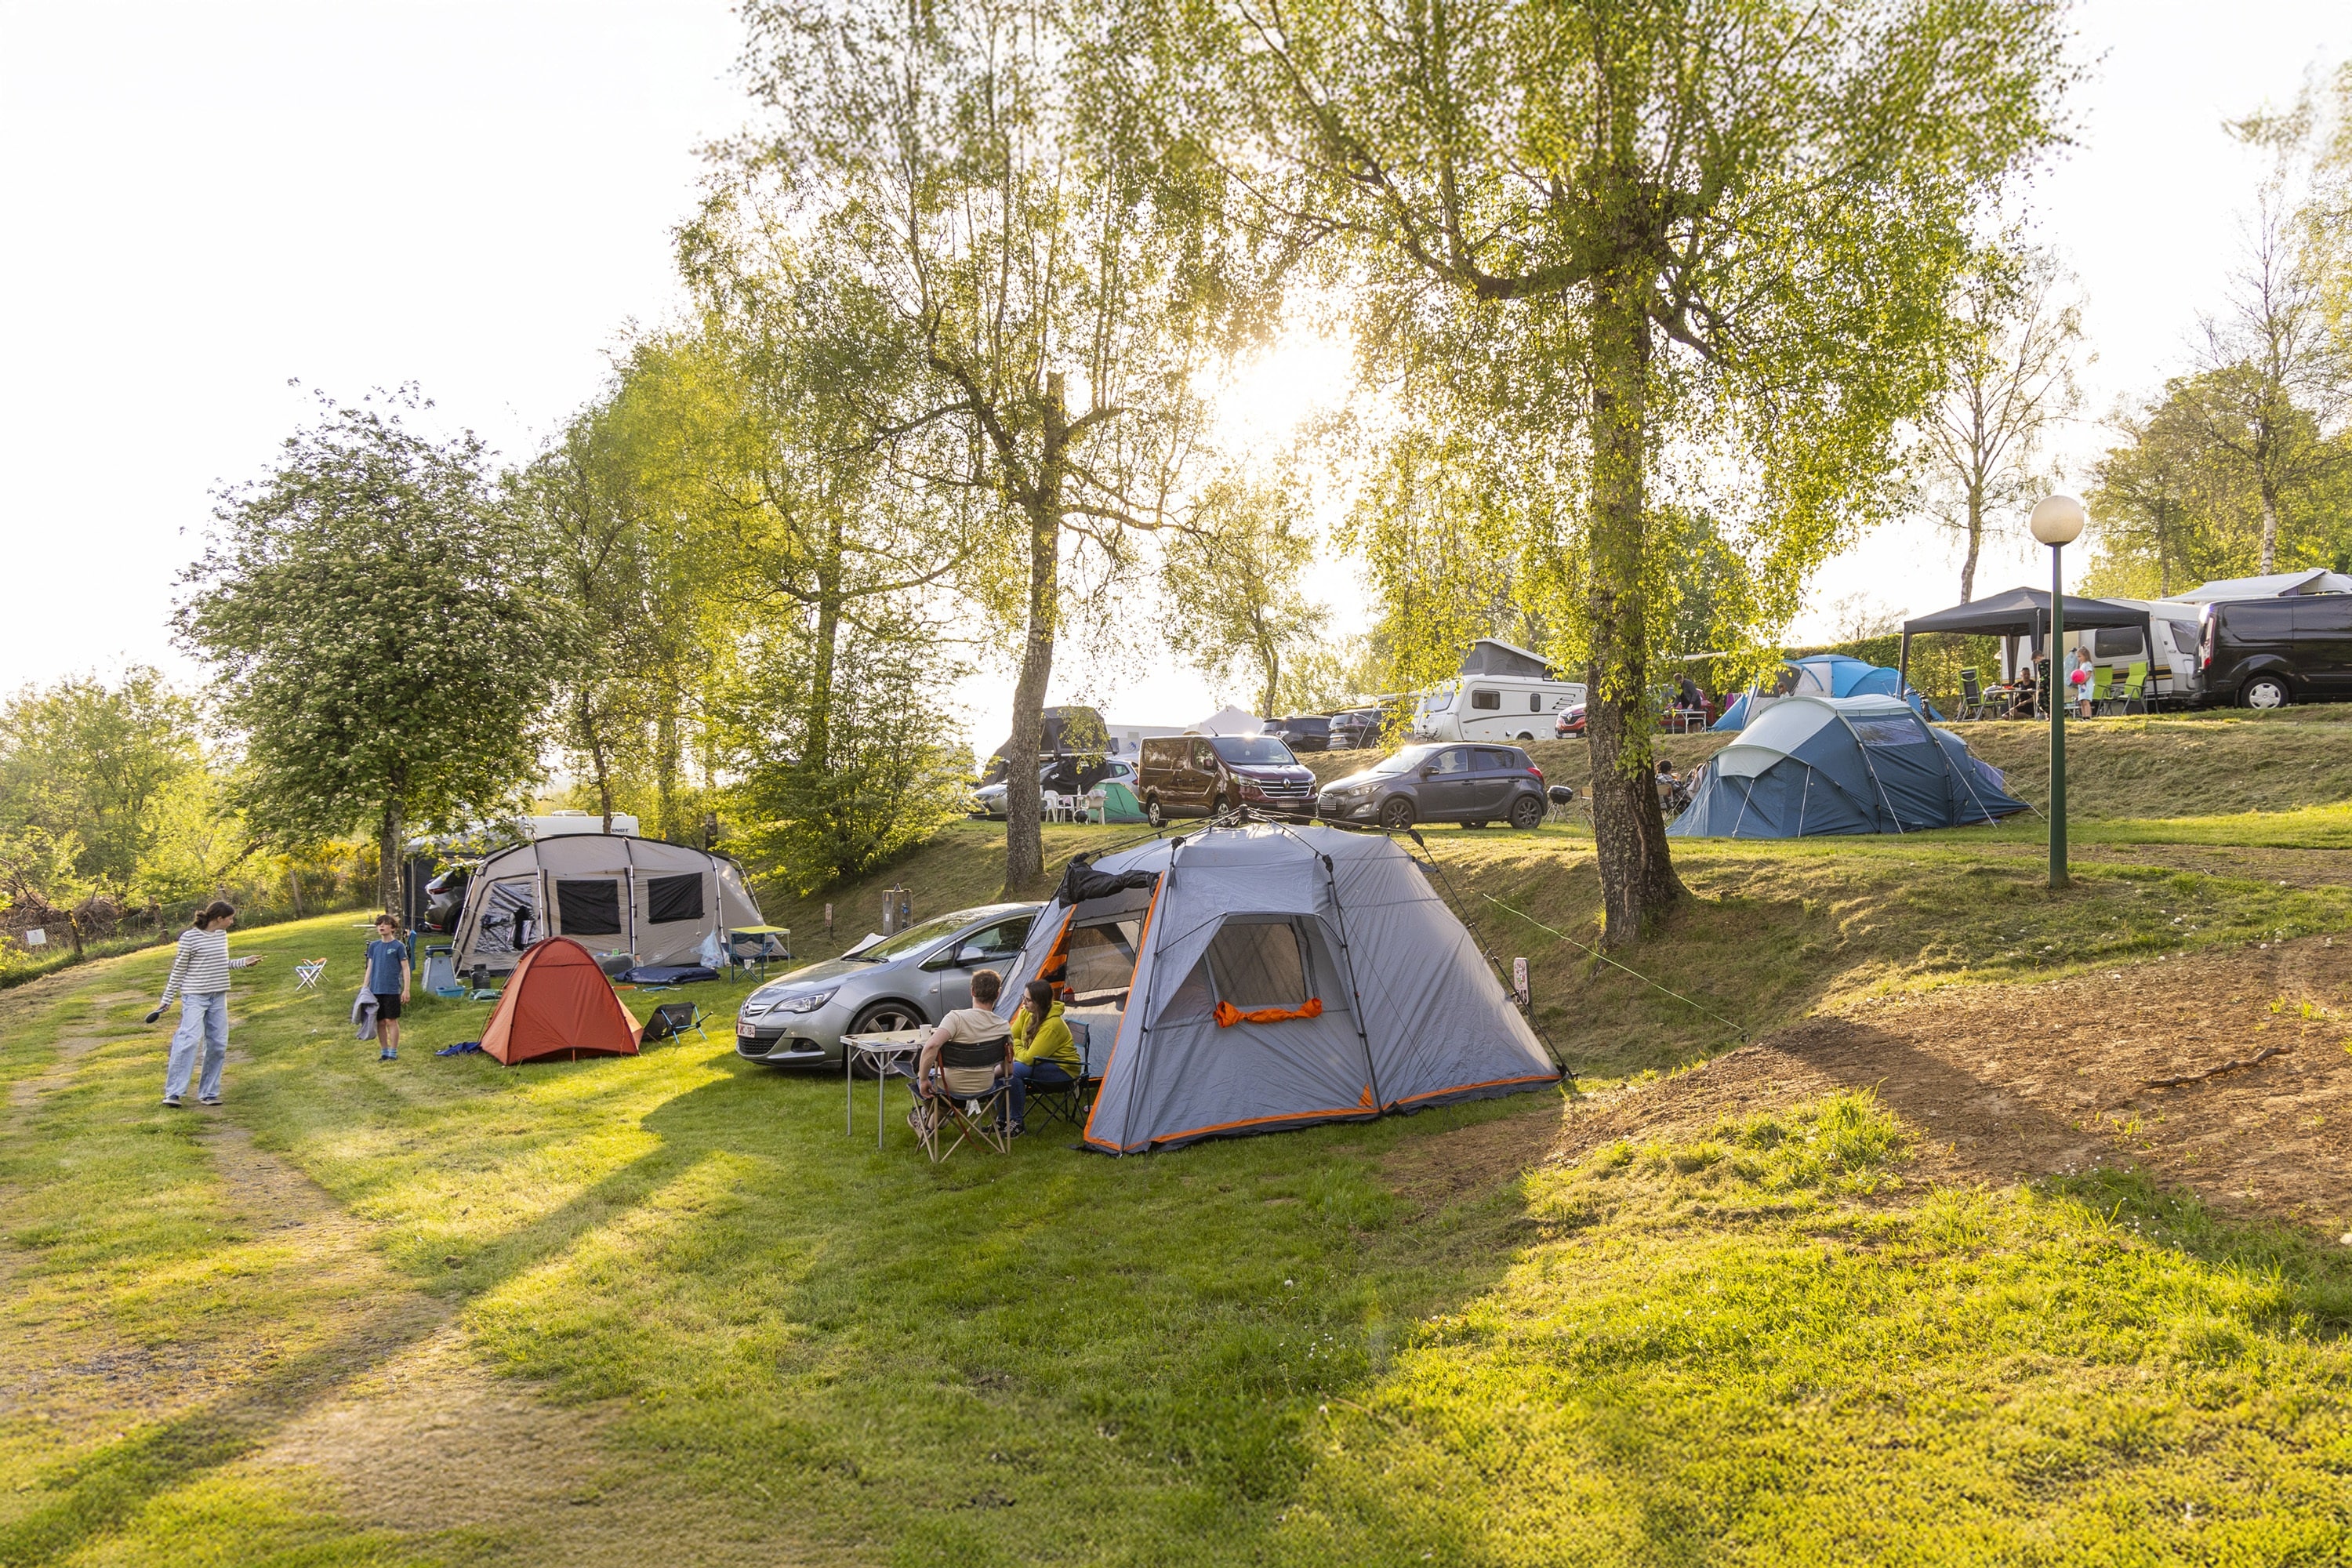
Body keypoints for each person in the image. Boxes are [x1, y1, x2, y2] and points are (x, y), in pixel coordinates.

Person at [147, 900, 263, 1109]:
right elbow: (179, 970)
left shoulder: (221, 936)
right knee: (189, 1040)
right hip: (195, 997)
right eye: (230, 918)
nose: (232, 921)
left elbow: (219, 965)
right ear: (219, 918)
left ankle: (209, 1093)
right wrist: (167, 999)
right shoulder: (189, 938)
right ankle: (173, 1093)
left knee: (218, 1044)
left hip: (218, 996)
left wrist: (243, 962)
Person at [909, 967, 1014, 1134]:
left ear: (972, 991)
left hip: (950, 1091)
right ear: (998, 994)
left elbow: (931, 1047)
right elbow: (1009, 1069)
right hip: (986, 1090)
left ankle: (928, 1121)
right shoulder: (1003, 1027)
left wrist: (923, 1080)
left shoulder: (956, 1019)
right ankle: (930, 1123)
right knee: (937, 1079)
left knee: (925, 1076)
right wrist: (983, 1071)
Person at [1007, 978, 1083, 1132]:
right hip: (1041, 1063)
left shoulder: (1053, 1025)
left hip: (1063, 1069)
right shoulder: (1026, 1014)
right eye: (1024, 998)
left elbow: (1029, 1059)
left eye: (1028, 1000)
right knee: (1003, 1068)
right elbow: (1009, 1036)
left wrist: (1017, 1046)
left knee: (1013, 1071)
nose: (1024, 1003)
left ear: (1039, 1003)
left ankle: (1017, 1123)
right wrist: (1015, 1045)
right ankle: (1002, 1120)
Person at [365, 914, 412, 1062]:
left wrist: (406, 989)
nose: (381, 927)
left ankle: (393, 1052)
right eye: (379, 924)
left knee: (391, 1020)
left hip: (392, 989)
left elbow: (405, 968)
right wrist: (364, 988)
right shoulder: (374, 946)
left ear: (392, 928)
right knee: (380, 1022)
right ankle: (384, 1051)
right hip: (375, 990)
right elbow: (370, 967)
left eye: (385, 924)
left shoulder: (398, 946)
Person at [2070, 647, 2096, 718]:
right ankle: (2084, 716)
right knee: (2082, 702)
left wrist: (2083, 681)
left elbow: (2088, 674)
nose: (2079, 658)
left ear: (2085, 655)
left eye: (2080, 656)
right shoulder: (2082, 665)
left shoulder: (2088, 664)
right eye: (2078, 657)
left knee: (2086, 701)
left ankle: (2088, 716)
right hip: (2082, 687)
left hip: (2087, 686)